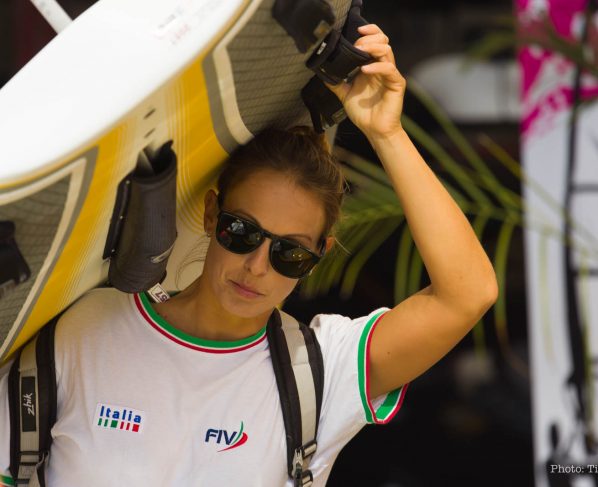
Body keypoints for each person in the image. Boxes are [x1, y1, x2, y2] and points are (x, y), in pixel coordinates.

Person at [0, 23, 498, 486]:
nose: (257, 266)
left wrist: (386, 133)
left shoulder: (319, 369)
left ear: (320, 253)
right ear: (212, 214)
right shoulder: (86, 329)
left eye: (289, 253)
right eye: (242, 232)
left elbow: (468, 293)